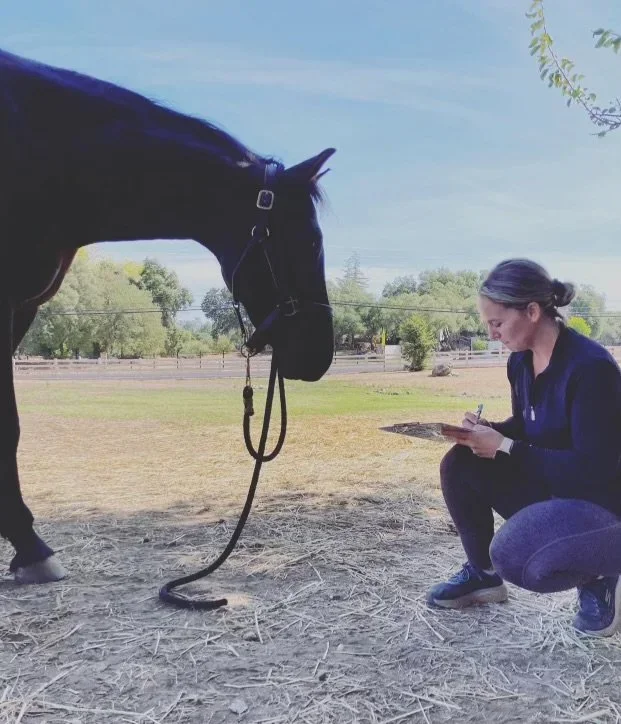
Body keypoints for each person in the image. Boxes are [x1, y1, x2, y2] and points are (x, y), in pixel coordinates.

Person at [427, 258, 621, 637]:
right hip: (554, 486)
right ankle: (483, 576)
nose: (492, 333)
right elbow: (530, 426)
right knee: (460, 463)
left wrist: (506, 446)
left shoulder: (591, 369)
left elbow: (595, 469)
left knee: (517, 555)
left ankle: (602, 570)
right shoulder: (519, 362)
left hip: (601, 504)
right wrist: (488, 431)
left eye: (497, 323)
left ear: (532, 311)